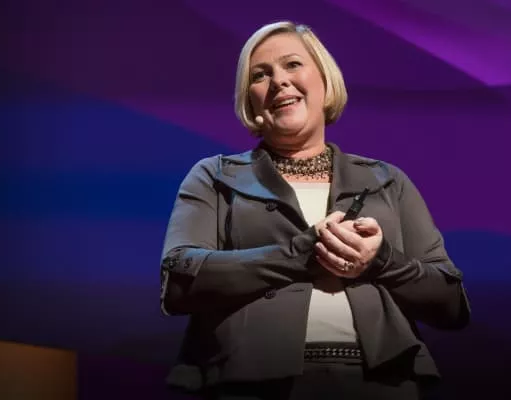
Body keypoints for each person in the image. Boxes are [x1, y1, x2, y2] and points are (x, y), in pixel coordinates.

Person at [159, 20, 471, 400]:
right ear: (250, 101)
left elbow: (451, 304)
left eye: (292, 64)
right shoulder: (215, 176)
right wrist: (299, 255)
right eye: (260, 75)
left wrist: (381, 260)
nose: (279, 81)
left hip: (381, 385)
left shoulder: (387, 180)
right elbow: (179, 281)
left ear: (325, 82)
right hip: (254, 385)